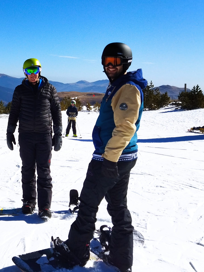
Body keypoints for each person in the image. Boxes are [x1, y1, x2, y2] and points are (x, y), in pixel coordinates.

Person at [50, 43, 147, 272]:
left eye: (115, 62)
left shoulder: (128, 88)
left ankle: (75, 252)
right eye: (106, 62)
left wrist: (109, 160)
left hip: (111, 158)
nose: (110, 66)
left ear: (126, 63)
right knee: (118, 208)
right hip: (121, 157)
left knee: (88, 206)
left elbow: (125, 127)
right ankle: (122, 259)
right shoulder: (119, 86)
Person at [6, 58, 63, 219]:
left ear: (40, 70)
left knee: (44, 171)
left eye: (35, 70)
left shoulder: (49, 89)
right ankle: (29, 202)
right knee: (27, 170)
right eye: (29, 71)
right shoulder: (19, 90)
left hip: (44, 135)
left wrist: (58, 134)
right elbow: (14, 112)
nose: (32, 74)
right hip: (25, 136)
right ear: (25, 73)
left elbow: (57, 113)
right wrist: (9, 132)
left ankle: (44, 207)